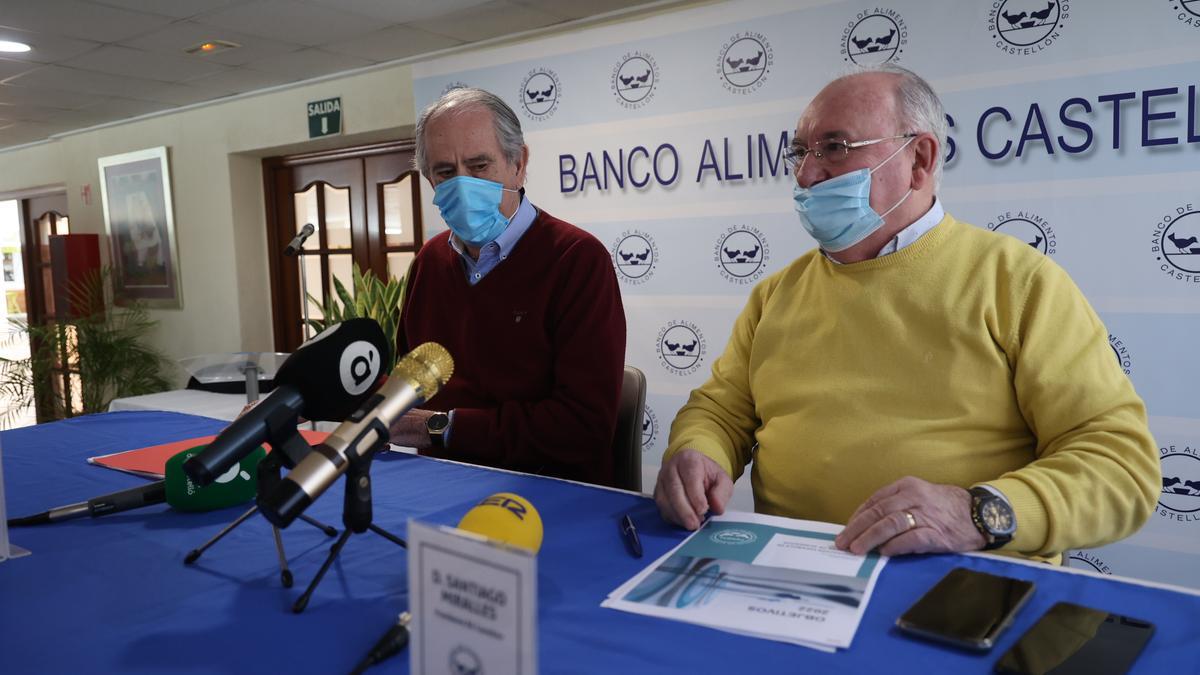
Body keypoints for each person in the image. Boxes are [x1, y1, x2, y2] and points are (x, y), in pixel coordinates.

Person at [653, 65, 1159, 561]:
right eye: (799, 152)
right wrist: (699, 450)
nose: (806, 174)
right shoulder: (776, 295)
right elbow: (720, 412)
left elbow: (1120, 466)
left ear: (919, 158)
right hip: (792, 573)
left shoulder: (1018, 282)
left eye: (834, 148)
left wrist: (977, 514)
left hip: (958, 584)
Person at [389, 87, 627, 487]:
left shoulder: (578, 260)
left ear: (519, 164)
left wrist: (440, 427)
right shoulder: (429, 262)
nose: (463, 186)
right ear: (429, 179)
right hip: (437, 486)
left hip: (551, 497)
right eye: (446, 172)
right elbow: (407, 383)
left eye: (480, 166)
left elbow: (582, 428)